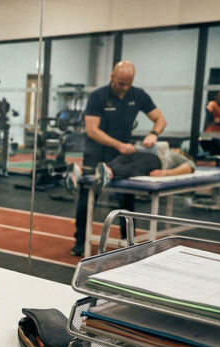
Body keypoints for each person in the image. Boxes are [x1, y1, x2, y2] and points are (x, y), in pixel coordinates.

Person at [71, 60, 167, 257]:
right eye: (121, 83)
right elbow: (92, 130)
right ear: (112, 77)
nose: (124, 87)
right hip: (97, 151)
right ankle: (81, 240)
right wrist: (118, 144)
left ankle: (128, 241)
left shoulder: (138, 95)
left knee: (127, 197)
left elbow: (160, 119)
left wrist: (153, 134)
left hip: (121, 153)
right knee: (88, 197)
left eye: (128, 83)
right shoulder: (98, 96)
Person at [64, 142, 194, 194]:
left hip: (155, 161)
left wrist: (165, 172)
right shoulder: (165, 148)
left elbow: (190, 167)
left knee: (128, 168)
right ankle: (80, 172)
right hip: (137, 153)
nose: (178, 149)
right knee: (112, 165)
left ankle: (83, 171)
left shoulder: (178, 156)